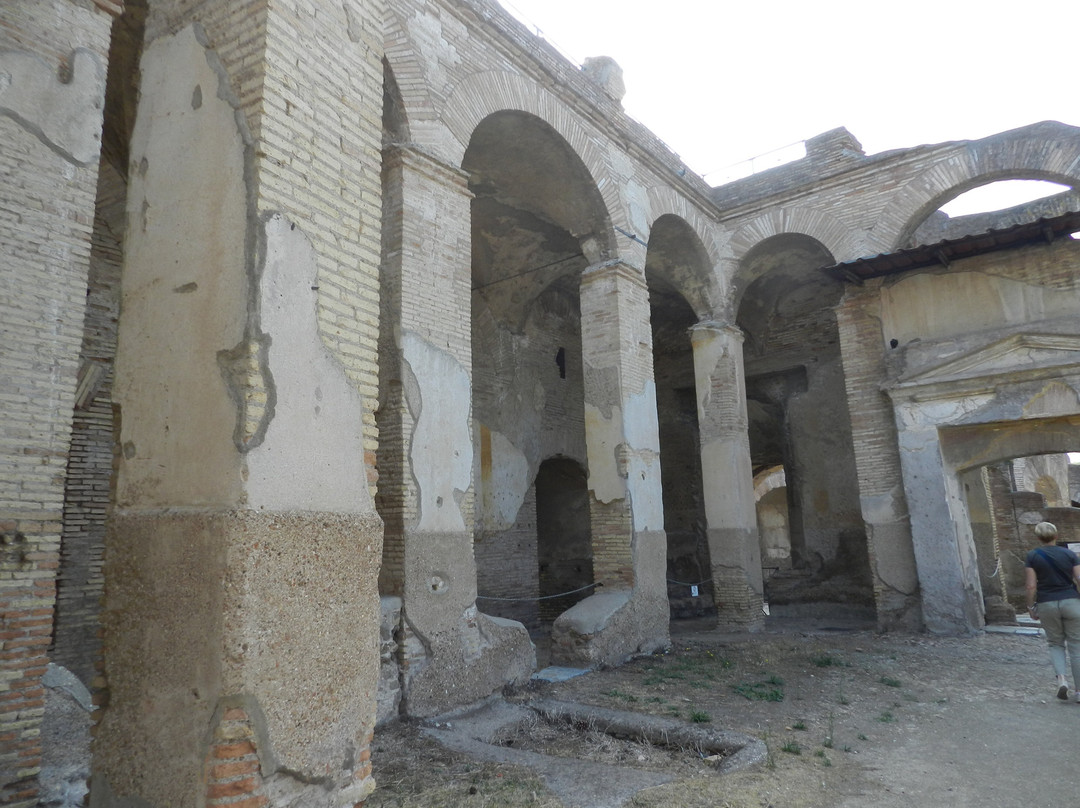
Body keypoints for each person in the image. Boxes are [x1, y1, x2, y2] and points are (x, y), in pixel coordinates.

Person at [1025, 521, 1080, 702]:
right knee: (1076, 645)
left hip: (1047, 603)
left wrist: (1030, 607)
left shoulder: (1032, 556)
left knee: (1055, 643)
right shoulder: (1070, 554)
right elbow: (1079, 578)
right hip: (1071, 601)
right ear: (1056, 536)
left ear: (1038, 538)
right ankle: (1079, 691)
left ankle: (1062, 680)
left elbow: (1031, 585)